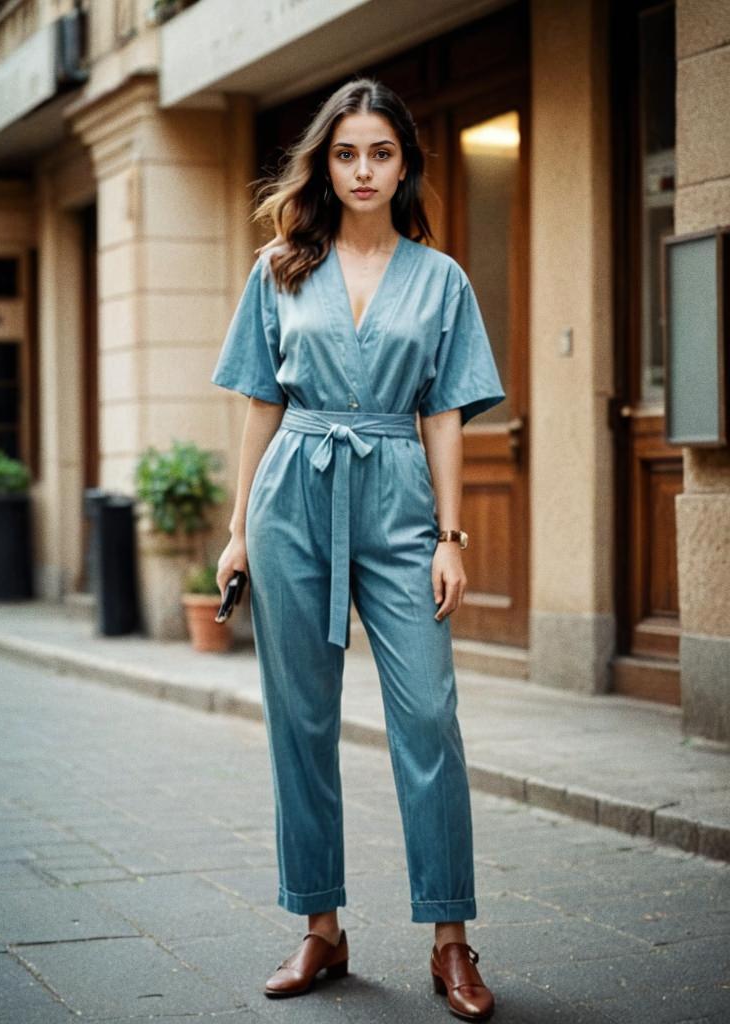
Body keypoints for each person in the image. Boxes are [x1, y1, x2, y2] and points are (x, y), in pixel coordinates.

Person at [212, 76, 504, 1021]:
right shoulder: (281, 269)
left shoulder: (442, 277)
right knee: (300, 723)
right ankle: (322, 929)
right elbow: (262, 400)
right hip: (292, 491)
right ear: (325, 166)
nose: (363, 169)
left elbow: (446, 413)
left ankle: (450, 940)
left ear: (406, 163)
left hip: (399, 499)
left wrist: (450, 538)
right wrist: (236, 530)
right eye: (346, 153)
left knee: (428, 718)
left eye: (381, 152)